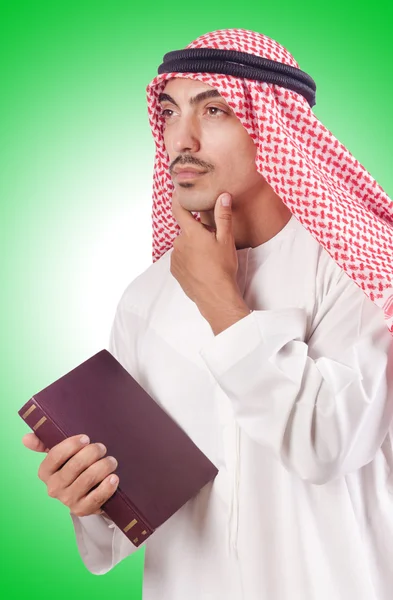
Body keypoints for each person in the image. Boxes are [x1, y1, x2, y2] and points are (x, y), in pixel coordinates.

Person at [22, 28, 393, 600]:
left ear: (276, 127)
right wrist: (90, 500)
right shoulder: (145, 297)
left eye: (213, 110)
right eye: (169, 113)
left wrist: (221, 303)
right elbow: (127, 527)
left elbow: (328, 447)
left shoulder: (360, 270)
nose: (181, 139)